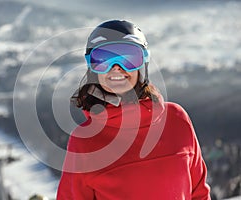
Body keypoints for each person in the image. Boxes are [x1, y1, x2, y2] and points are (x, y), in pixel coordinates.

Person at [57, 20, 211, 199]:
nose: (116, 68)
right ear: (93, 69)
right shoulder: (85, 142)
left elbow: (199, 193)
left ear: (143, 64)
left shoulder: (176, 119)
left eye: (127, 57)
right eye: (103, 59)